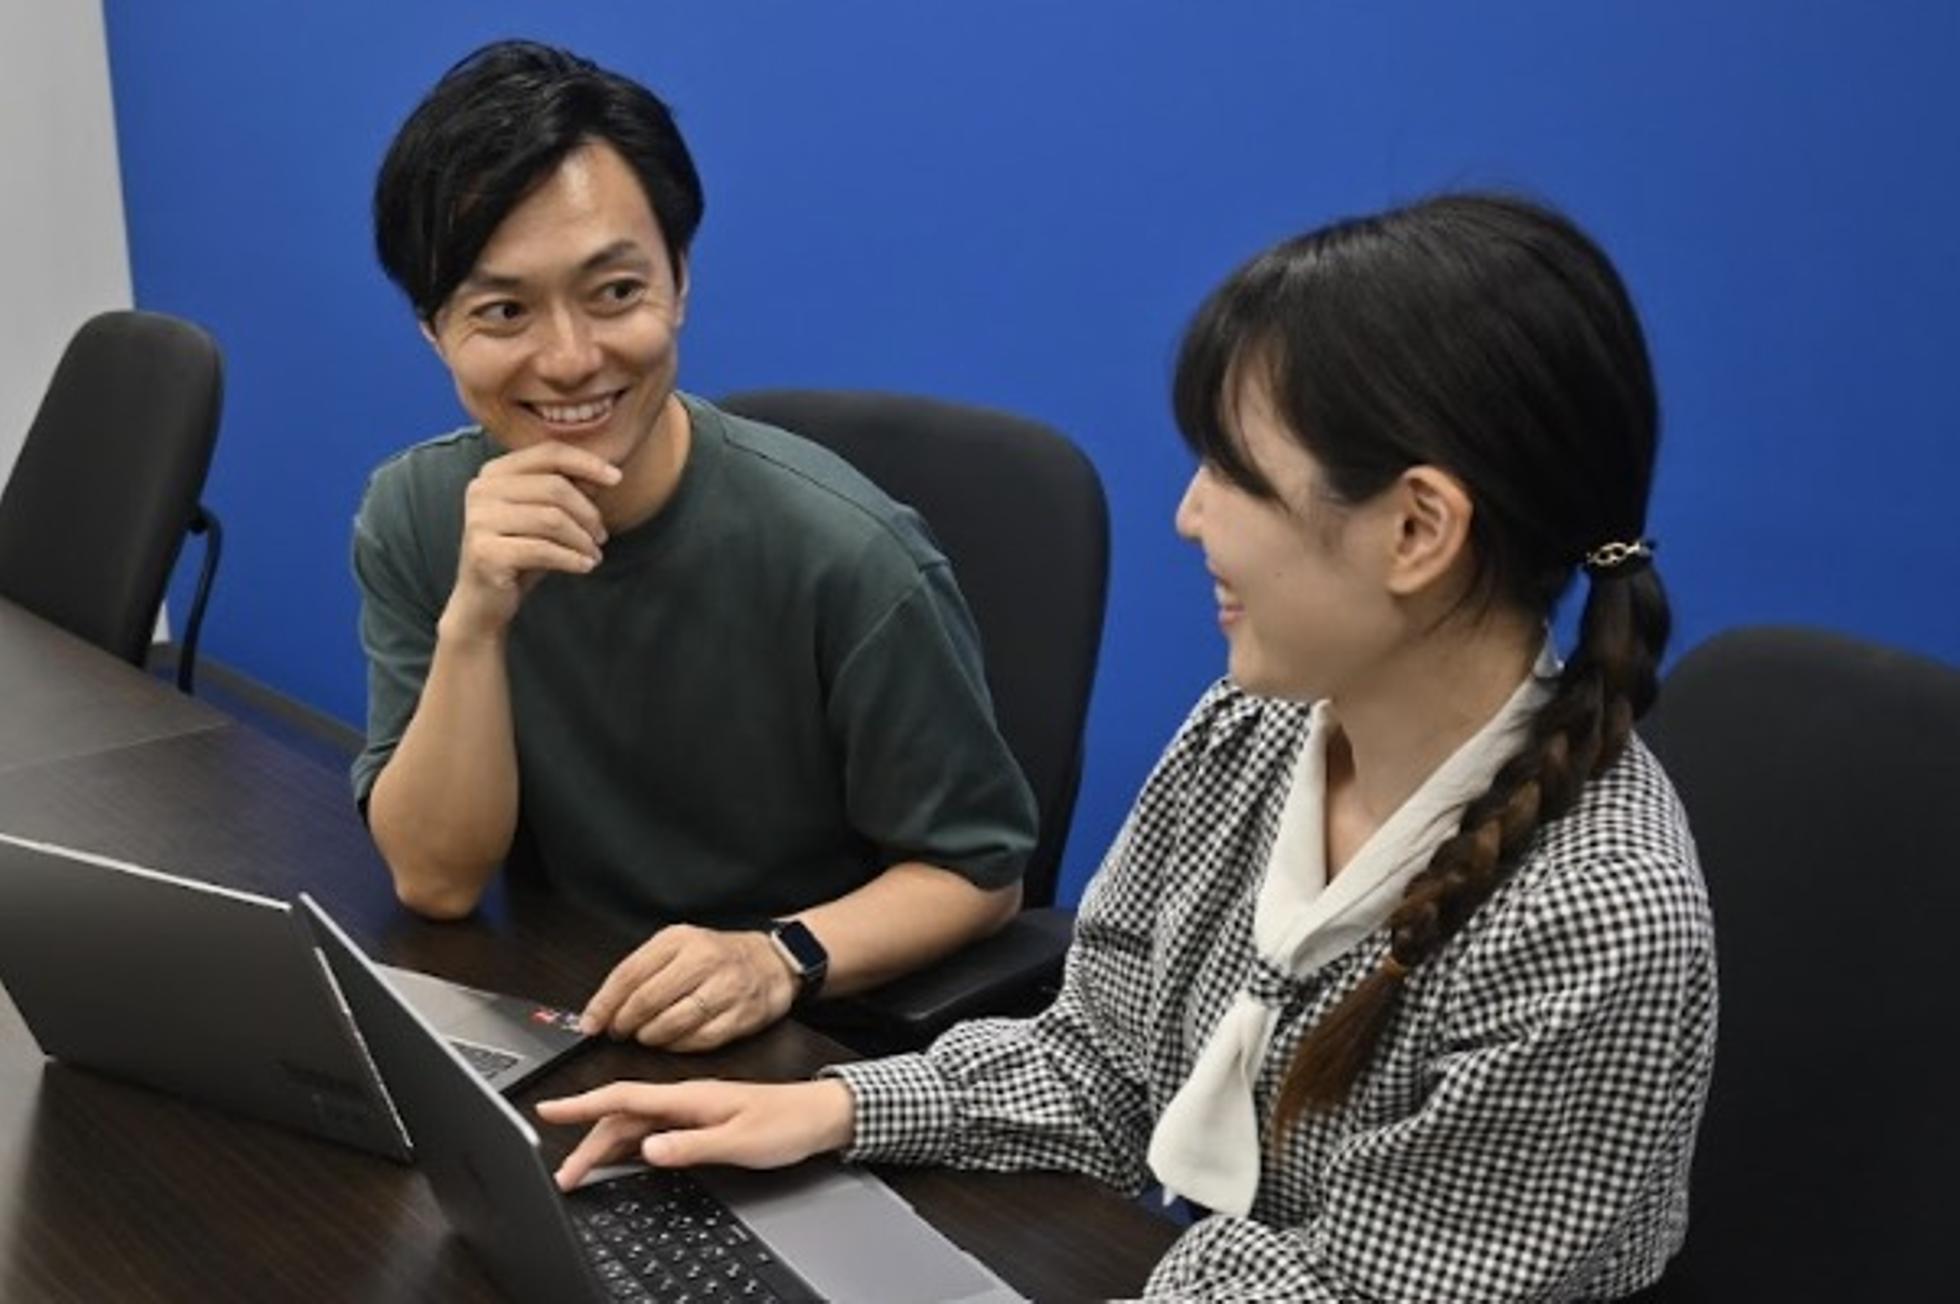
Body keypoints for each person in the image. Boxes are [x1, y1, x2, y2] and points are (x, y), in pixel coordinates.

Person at [536, 194, 1718, 1301]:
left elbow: (1350, 1286)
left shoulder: (1596, 918)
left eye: (1233, 474)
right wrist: (830, 1107)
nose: (1188, 515)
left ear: (1416, 528)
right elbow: (1103, 1061)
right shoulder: (1254, 728)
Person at [351, 40, 1036, 1054]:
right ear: (434, 331)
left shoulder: (850, 554)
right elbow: (437, 881)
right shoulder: (416, 512)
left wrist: (775, 956)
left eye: (614, 292)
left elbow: (981, 874)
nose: (570, 357)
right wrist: (476, 621)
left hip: (807, 1036)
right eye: (503, 310)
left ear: (678, 282)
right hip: (570, 1002)